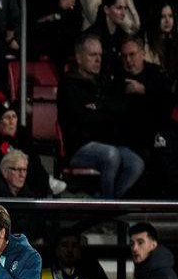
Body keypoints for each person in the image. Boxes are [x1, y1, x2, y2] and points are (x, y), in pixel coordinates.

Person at [58, 35, 143, 198]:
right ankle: (106, 205)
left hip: (108, 142)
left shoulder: (104, 83)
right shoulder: (69, 84)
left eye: (100, 55)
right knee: (111, 155)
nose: (98, 60)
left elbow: (120, 110)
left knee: (136, 163)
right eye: (92, 55)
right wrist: (104, 113)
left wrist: (98, 109)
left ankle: (109, 203)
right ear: (79, 58)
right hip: (79, 147)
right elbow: (83, 119)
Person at [120, 35, 173, 155]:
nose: (128, 60)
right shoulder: (118, 77)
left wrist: (143, 90)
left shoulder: (156, 73)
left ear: (143, 54)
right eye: (124, 56)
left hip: (156, 130)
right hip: (130, 135)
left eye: (132, 54)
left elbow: (167, 100)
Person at [85, 0, 135, 75]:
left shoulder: (124, 36)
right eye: (119, 8)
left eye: (125, 8)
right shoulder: (92, 37)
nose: (123, 13)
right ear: (106, 9)